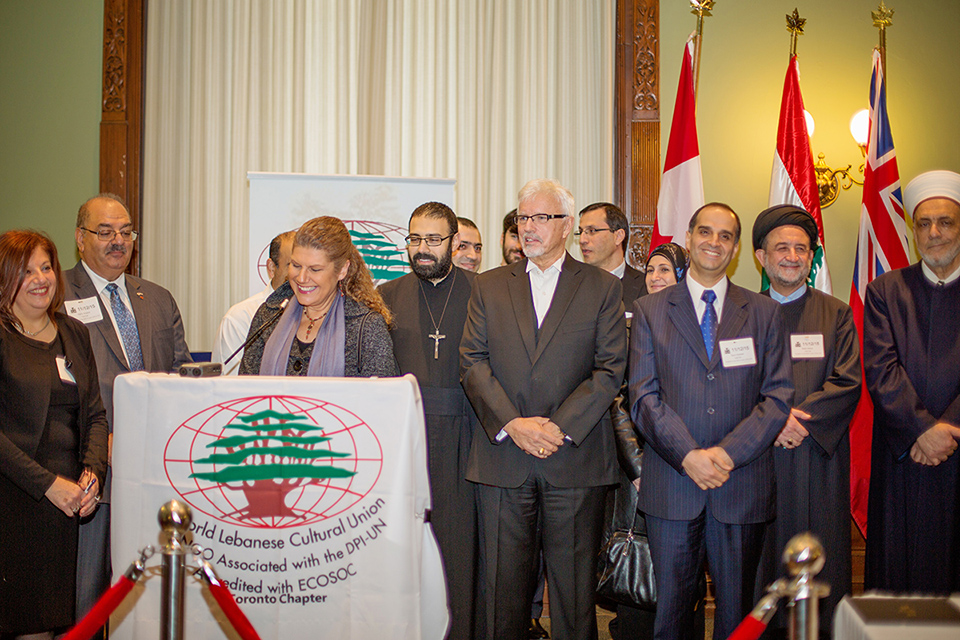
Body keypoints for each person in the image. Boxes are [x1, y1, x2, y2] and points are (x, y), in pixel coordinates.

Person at [461, 179, 626, 640]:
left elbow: (610, 368)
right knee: (502, 596)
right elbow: (472, 361)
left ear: (567, 225)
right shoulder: (489, 286)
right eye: (522, 218)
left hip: (573, 458)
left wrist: (558, 428)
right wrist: (513, 424)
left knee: (573, 598)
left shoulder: (600, 287)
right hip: (503, 458)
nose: (528, 227)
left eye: (540, 218)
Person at [628, 203, 792, 640]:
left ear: (736, 249)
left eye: (725, 236)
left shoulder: (764, 312)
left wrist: (725, 455)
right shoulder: (650, 309)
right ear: (688, 238)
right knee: (672, 617)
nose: (714, 242)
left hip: (740, 486)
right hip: (673, 487)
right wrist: (689, 456)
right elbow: (643, 397)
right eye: (705, 232)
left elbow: (778, 397)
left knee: (737, 614)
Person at [61, 193, 192, 631]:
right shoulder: (56, 295)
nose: (118, 241)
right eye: (105, 232)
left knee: (147, 603)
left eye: (126, 232)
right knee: (86, 602)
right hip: (87, 474)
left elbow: (179, 377)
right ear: (80, 238)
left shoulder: (157, 298)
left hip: (153, 471)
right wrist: (98, 444)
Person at [752, 205, 861, 637]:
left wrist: (800, 422)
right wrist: (774, 422)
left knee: (822, 558)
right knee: (760, 562)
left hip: (817, 460)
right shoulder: (741, 313)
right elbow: (728, 383)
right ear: (761, 256)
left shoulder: (836, 314)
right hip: (758, 458)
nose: (792, 257)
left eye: (802, 248)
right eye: (782, 248)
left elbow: (847, 381)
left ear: (812, 256)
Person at [0, 230, 108, 638]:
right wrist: (47, 485)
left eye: (46, 267)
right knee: (30, 625)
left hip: (70, 501)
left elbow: (95, 414)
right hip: (18, 498)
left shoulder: (73, 332)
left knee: (63, 621)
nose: (40, 279)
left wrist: (93, 474)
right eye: (26, 271)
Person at [379, 202, 479, 640]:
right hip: (407, 441)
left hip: (466, 437)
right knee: (405, 549)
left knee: (458, 550)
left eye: (433, 240)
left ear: (454, 243)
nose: (422, 248)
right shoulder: (387, 295)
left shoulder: (483, 291)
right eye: (415, 239)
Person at [864, 170, 960, 594]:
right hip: (902, 453)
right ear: (913, 231)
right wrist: (922, 429)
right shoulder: (886, 290)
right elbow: (881, 369)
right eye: (924, 224)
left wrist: (948, 428)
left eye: (945, 222)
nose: (934, 233)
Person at [240, 216, 398, 378]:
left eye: (314, 269)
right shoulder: (269, 315)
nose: (301, 278)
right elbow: (245, 388)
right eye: (296, 265)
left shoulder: (367, 327)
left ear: (342, 270)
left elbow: (381, 393)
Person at [212, 230, 294, 374]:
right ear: (272, 268)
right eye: (293, 265)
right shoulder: (240, 318)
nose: (301, 275)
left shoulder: (316, 313)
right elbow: (235, 382)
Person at [578, 202, 645, 303]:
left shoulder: (645, 286)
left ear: (618, 236)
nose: (582, 240)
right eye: (580, 232)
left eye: (592, 231)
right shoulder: (572, 284)